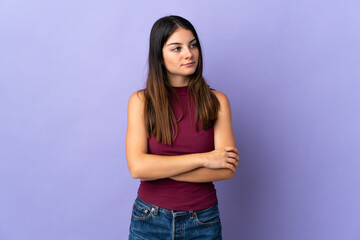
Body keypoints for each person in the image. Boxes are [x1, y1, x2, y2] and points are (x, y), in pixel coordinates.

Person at [126, 15, 239, 240]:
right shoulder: (141, 101)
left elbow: (226, 169)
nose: (189, 53)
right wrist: (204, 159)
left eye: (193, 45)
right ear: (159, 55)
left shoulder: (217, 101)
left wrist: (158, 169)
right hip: (150, 219)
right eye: (176, 48)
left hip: (203, 221)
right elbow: (138, 168)